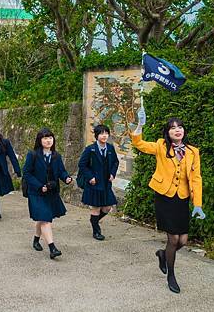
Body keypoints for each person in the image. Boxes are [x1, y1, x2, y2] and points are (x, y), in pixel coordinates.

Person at [130, 109, 205, 294]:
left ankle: (163, 254)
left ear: (184, 131)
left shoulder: (193, 152)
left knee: (183, 241)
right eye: (172, 128)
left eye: (180, 127)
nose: (177, 130)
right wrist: (140, 125)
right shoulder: (161, 146)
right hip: (164, 196)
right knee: (172, 239)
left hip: (182, 198)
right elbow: (138, 144)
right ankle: (171, 275)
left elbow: (196, 178)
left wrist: (197, 203)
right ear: (168, 132)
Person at [23, 128, 73, 259]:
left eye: (50, 137)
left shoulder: (56, 155)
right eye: (45, 138)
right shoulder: (32, 154)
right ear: (40, 140)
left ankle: (35, 239)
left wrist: (66, 178)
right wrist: (40, 186)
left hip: (51, 192)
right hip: (36, 192)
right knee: (45, 219)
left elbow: (61, 171)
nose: (48, 140)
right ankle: (52, 248)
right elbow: (27, 174)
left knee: (42, 218)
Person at [78, 124, 119, 241]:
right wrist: (90, 177)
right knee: (96, 207)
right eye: (101, 133)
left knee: (107, 207)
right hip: (94, 183)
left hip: (106, 183)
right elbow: (82, 165)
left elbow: (115, 162)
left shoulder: (110, 148)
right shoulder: (90, 149)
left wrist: (112, 173)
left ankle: (93, 220)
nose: (104, 135)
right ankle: (96, 231)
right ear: (96, 135)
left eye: (106, 133)